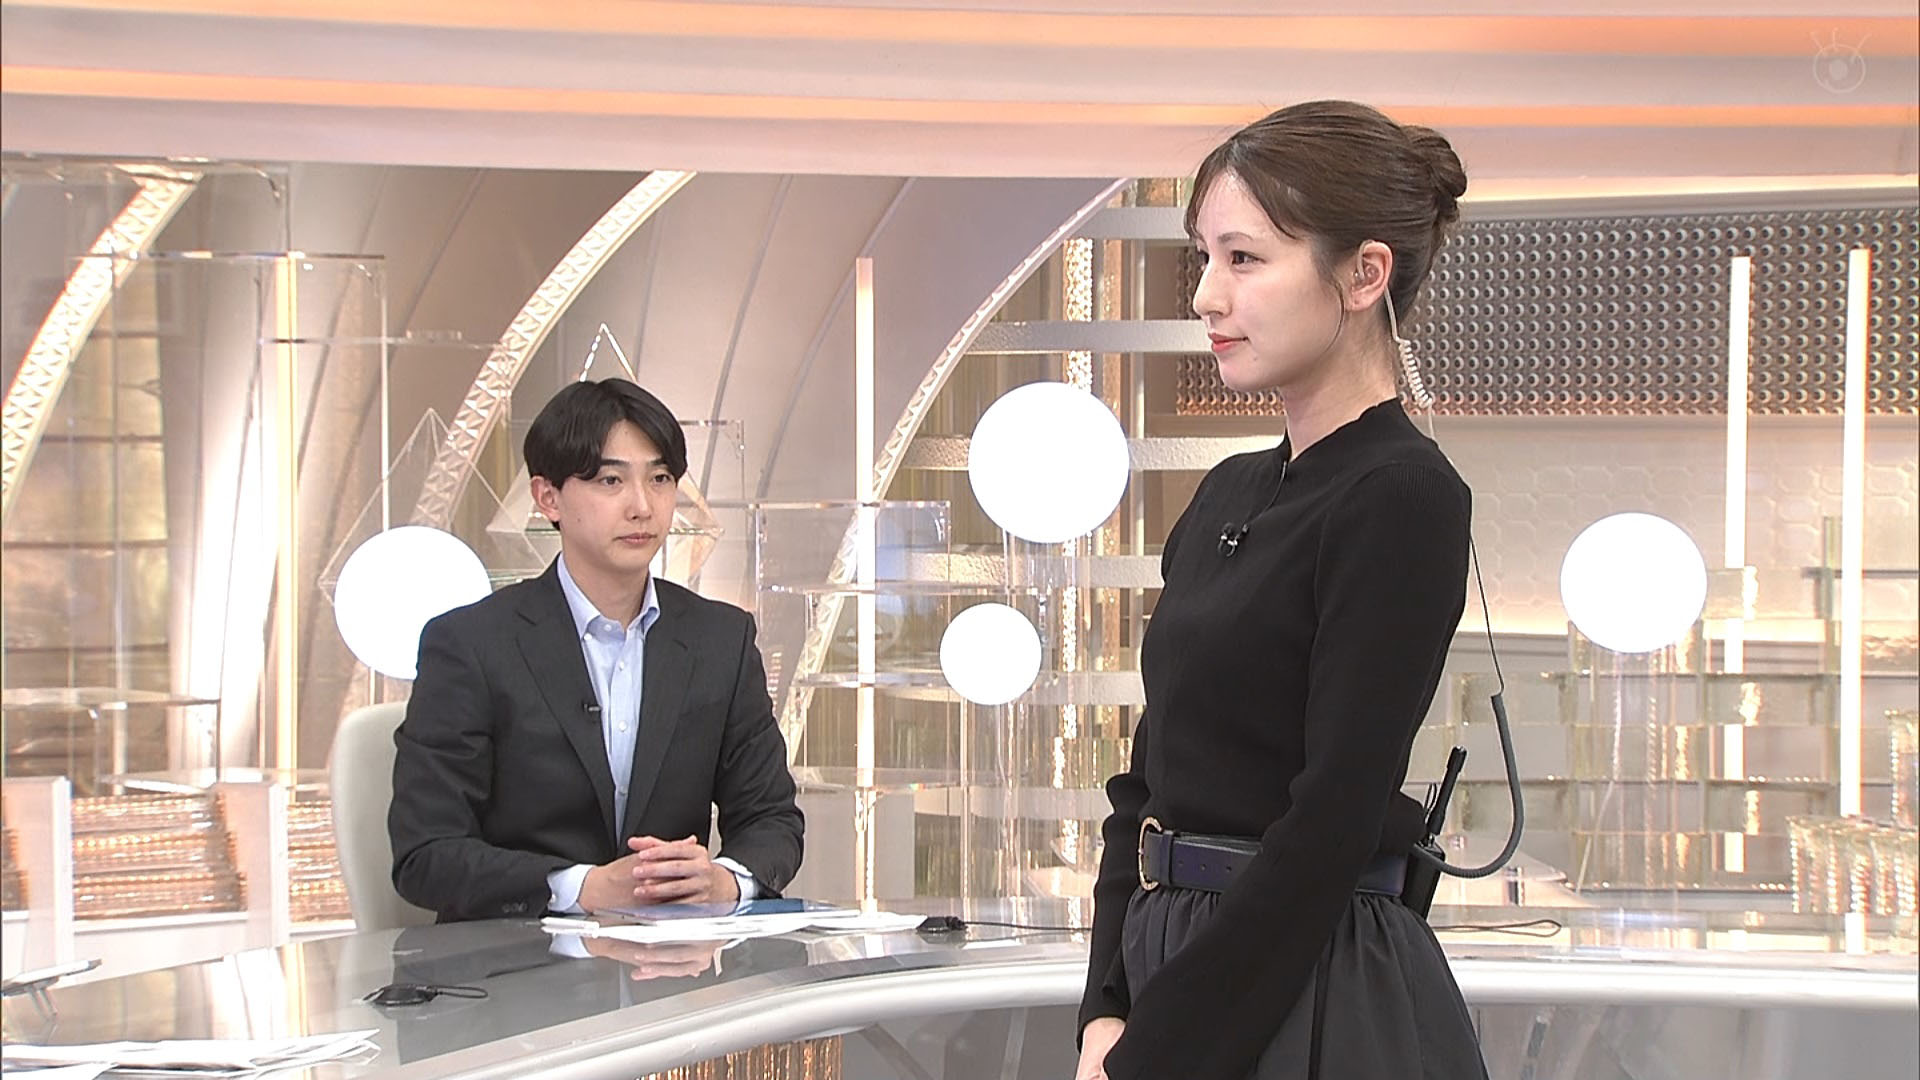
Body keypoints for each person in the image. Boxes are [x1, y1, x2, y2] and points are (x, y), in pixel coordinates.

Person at [1075, 101, 1487, 1080]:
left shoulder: (1402, 495)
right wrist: (1104, 1008)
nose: (1207, 296)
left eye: (1244, 259)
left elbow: (1329, 822)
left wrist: (1157, 1053)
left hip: (1306, 988)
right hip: (1170, 968)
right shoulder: (1228, 490)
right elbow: (1145, 784)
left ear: (1364, 274)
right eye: (1204, 258)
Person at [389, 377, 803, 923]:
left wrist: (724, 880)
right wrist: (582, 887)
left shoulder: (721, 640)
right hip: (518, 961)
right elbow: (426, 854)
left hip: (673, 961)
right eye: (611, 480)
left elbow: (772, 820)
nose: (642, 506)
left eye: (660, 479)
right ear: (548, 497)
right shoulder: (470, 645)